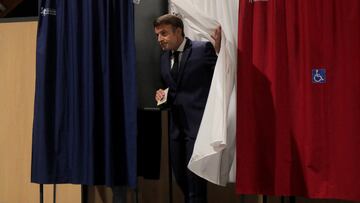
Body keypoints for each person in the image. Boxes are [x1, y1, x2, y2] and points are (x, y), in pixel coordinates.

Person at [154, 14, 221, 203]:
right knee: (180, 179)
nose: (160, 39)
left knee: (195, 183)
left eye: (164, 33)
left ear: (178, 31)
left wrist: (220, 53)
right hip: (176, 129)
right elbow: (171, 88)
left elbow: (220, 78)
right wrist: (161, 94)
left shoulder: (202, 49)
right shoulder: (163, 58)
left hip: (197, 128)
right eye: (157, 35)